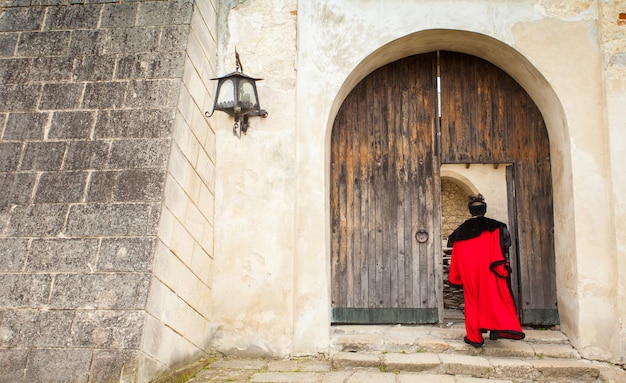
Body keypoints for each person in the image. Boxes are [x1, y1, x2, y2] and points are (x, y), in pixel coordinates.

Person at [447, 194, 525, 347]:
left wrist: (458, 275)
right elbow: (505, 247)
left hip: (470, 272)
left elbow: (455, 256)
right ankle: (496, 330)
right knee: (494, 299)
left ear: (470, 211)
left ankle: (474, 337)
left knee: (472, 301)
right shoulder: (497, 227)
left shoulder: (460, 232)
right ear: (485, 209)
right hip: (490, 271)